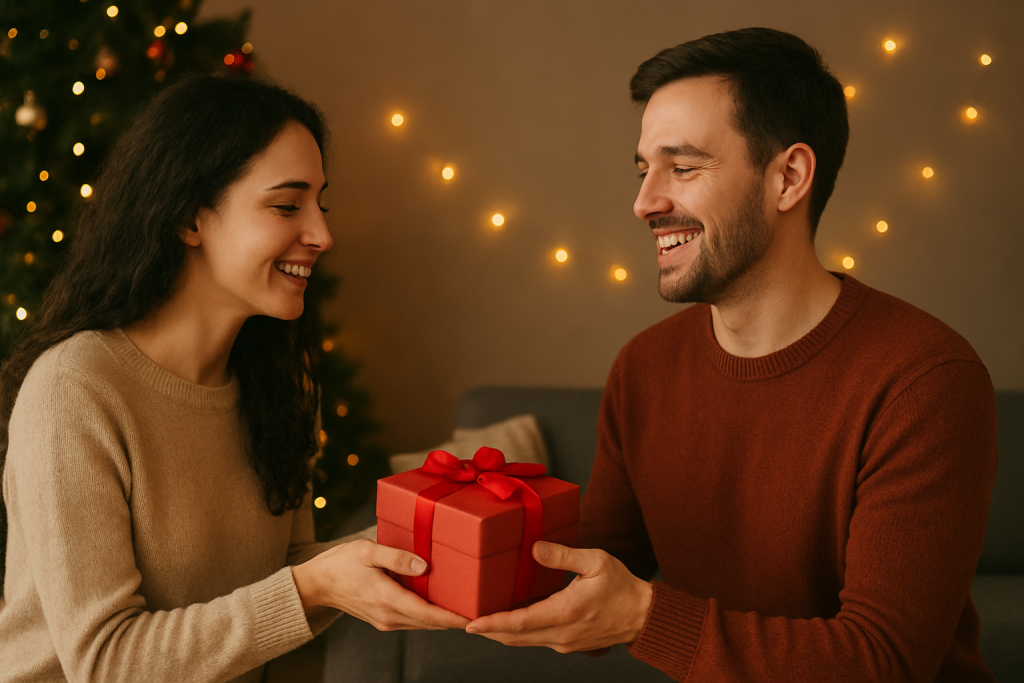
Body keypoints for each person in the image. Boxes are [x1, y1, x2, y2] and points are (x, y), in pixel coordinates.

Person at [466, 28, 998, 682]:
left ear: (789, 178)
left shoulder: (925, 379)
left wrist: (643, 617)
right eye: (643, 169)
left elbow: (882, 661)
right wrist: (448, 544)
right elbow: (591, 576)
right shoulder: (644, 368)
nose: (644, 202)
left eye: (683, 167)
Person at [0, 76, 467, 683]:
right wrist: (312, 585)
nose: (323, 235)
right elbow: (105, 661)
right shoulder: (74, 389)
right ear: (190, 218)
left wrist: (423, 544)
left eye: (320, 204)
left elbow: (289, 571)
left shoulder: (281, 383)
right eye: (285, 205)